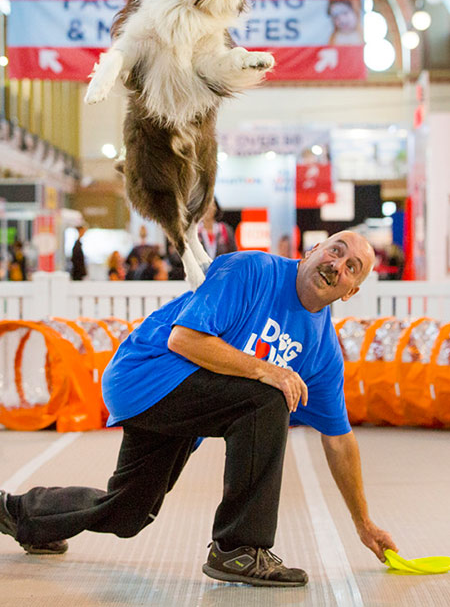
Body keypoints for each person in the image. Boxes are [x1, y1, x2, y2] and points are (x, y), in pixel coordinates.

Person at [0, 230, 397, 587]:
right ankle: (239, 548)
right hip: (148, 372)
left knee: (128, 513)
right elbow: (185, 340)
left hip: (183, 404)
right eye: (335, 251)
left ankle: (18, 514)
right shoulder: (251, 269)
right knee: (268, 397)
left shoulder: (322, 351)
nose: (336, 265)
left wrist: (363, 523)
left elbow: (339, 440)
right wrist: (268, 370)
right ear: (312, 250)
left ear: (351, 292)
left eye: (352, 267)